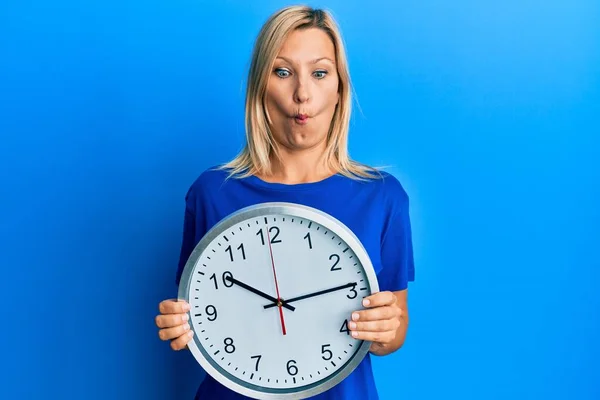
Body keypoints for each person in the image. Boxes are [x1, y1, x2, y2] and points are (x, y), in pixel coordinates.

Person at [154, 5, 415, 399]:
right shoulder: (211, 193)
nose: (302, 94)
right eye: (283, 71)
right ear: (261, 85)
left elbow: (394, 328)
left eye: (320, 72)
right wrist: (178, 324)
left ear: (339, 87)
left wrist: (387, 333)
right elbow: (202, 313)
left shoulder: (382, 197)